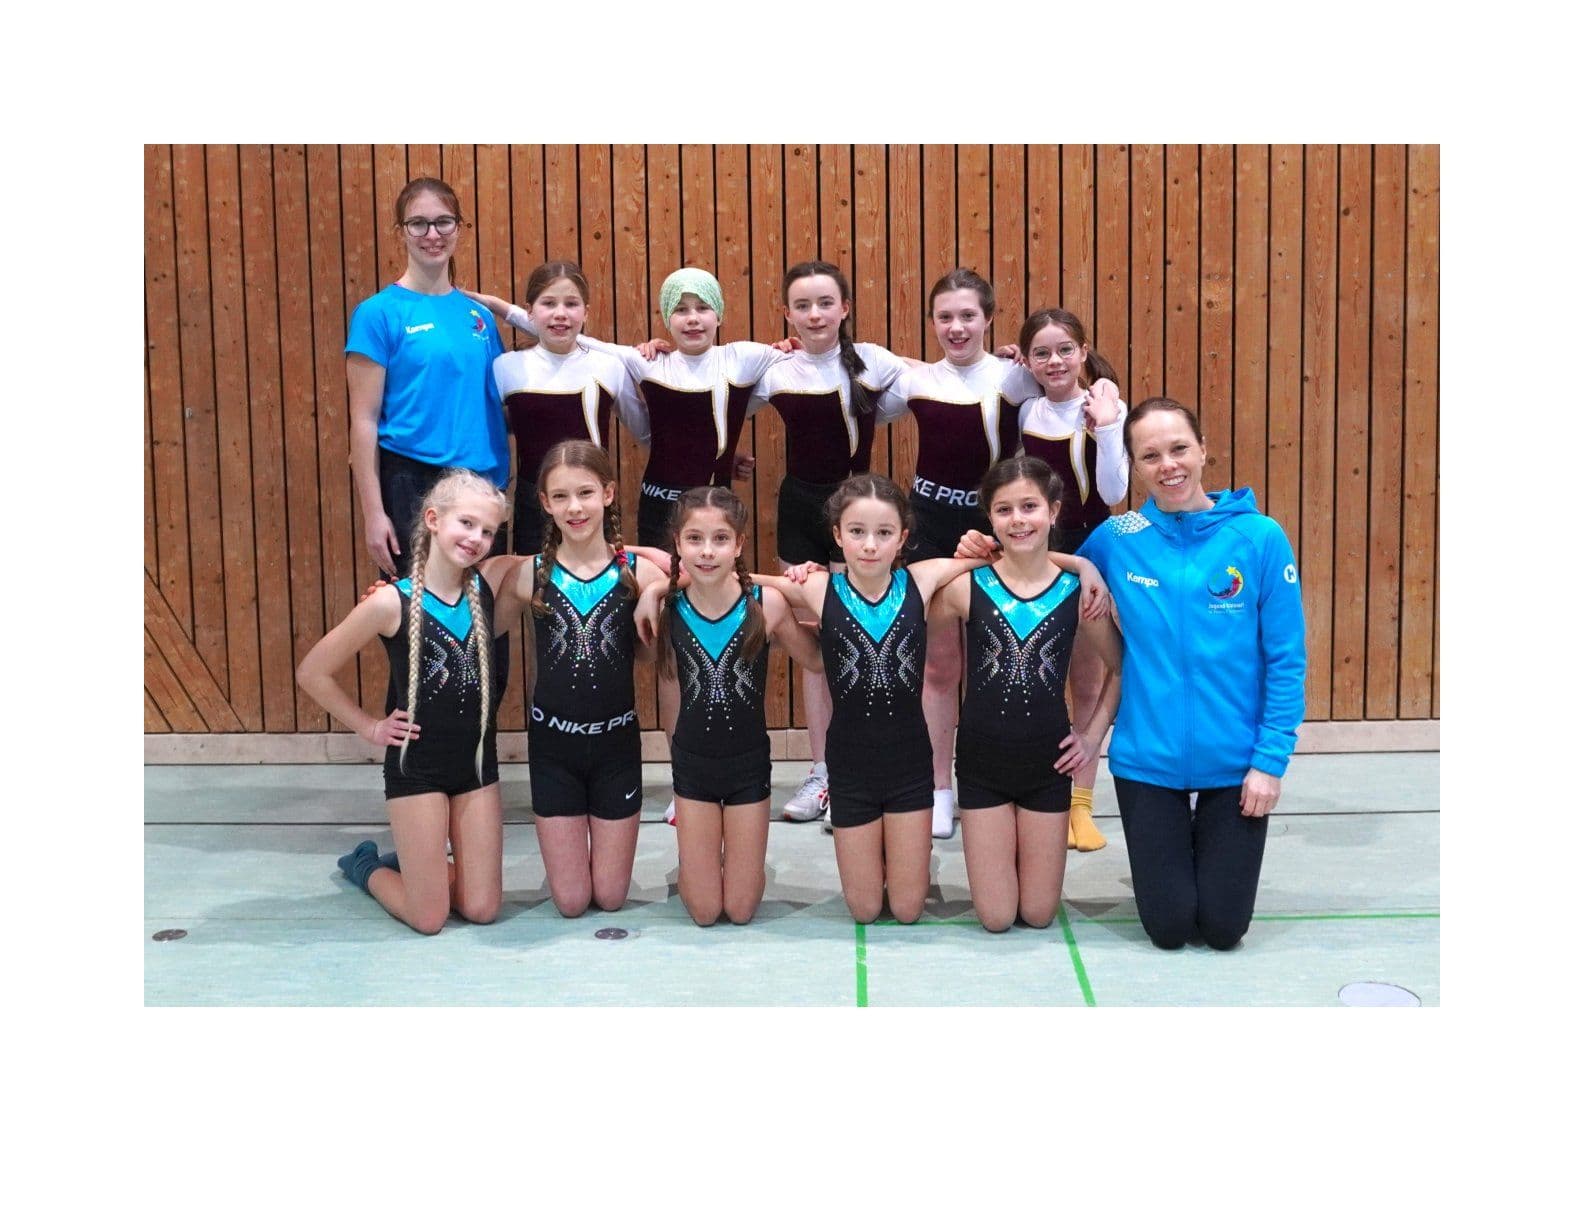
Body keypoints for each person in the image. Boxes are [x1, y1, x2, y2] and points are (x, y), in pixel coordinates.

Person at [757, 475, 1105, 925]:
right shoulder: (819, 587)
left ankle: (913, 859)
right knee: (865, 910)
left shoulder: (922, 580)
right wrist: (790, 575)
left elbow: (1015, 554)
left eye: (884, 533)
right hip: (851, 770)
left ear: (903, 538)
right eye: (857, 532)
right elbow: (741, 581)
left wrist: (1082, 565)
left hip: (910, 770)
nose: (870, 545)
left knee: (911, 910)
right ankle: (879, 853)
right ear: (837, 535)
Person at [1077, 397, 1306, 950]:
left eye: (1179, 448)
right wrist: (1079, 564)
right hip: (1147, 760)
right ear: (1134, 466)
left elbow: (1286, 659)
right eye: (1150, 455)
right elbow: (1039, 568)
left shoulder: (1259, 537)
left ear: (1203, 450)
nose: (1168, 465)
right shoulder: (1118, 536)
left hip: (1237, 764)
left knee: (1224, 929)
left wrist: (1269, 763)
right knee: (1171, 927)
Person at [297, 470, 516, 935]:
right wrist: (370, 727)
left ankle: (420, 863)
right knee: (429, 918)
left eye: (488, 531)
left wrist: (639, 555)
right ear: (433, 519)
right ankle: (367, 866)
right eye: (466, 523)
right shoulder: (389, 602)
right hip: (417, 770)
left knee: (481, 909)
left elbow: (564, 558)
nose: (476, 539)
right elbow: (312, 672)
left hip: (477, 768)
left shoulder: (487, 583)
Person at [748, 260, 920, 822]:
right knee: (815, 645)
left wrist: (1011, 361)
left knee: (860, 640)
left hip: (857, 516)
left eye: (826, 303)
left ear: (845, 307)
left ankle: (861, 766)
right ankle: (822, 771)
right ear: (787, 314)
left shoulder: (874, 362)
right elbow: (710, 410)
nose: (815, 314)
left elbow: (942, 376)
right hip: (800, 511)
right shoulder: (775, 368)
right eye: (802, 305)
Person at [874, 268, 1040, 838]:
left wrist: (1108, 394)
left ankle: (987, 781)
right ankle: (938, 789)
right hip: (929, 530)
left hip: (996, 531)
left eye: (968, 315)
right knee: (940, 666)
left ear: (989, 317)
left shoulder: (1016, 378)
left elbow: (1075, 396)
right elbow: (844, 398)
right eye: (944, 317)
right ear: (932, 322)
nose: (956, 327)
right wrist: (792, 349)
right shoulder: (914, 380)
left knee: (998, 664)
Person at [929, 457, 1120, 932]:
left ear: (1053, 511)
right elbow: (906, 588)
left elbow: (1121, 667)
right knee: (996, 918)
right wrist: (968, 558)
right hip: (982, 766)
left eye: (1030, 507)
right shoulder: (966, 587)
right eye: (1004, 510)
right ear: (989, 519)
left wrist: (1092, 738)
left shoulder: (1079, 593)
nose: (1018, 519)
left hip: (1046, 767)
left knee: (1037, 914)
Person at [634, 487, 824, 925]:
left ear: (739, 544)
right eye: (694, 539)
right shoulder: (668, 607)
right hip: (693, 769)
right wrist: (653, 590)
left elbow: (816, 660)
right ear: (677, 544)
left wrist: (813, 592)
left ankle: (739, 866)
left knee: (739, 910)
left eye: (720, 539)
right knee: (704, 912)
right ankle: (693, 864)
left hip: (748, 769)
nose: (707, 551)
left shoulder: (766, 604)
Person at [516, 441, 668, 916]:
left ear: (608, 493)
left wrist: (655, 593)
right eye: (560, 497)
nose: (574, 508)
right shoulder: (529, 574)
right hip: (553, 750)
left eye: (585, 493)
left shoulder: (639, 572)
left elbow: (707, 574)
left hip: (615, 748)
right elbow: (457, 593)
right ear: (545, 503)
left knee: (610, 897)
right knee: (571, 902)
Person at [345, 177, 510, 577]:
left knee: (484, 613)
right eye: (418, 223)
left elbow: (500, 405)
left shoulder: (480, 317)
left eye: (443, 222)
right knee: (421, 612)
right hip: (413, 488)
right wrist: (374, 514)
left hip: (482, 487)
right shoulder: (378, 313)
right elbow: (364, 420)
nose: (432, 234)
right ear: (400, 231)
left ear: (459, 228)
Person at [1012, 307, 1129, 851]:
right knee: (1034, 679)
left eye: (1065, 350)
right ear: (1028, 361)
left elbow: (1113, 493)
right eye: (1041, 353)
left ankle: (1080, 803)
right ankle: (1036, 796)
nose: (1054, 361)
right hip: (1039, 552)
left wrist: (1106, 427)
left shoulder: (1104, 407)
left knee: (1085, 682)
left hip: (1093, 549)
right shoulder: (1027, 410)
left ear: (1083, 352)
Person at [467, 262, 649, 555]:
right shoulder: (505, 368)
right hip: (534, 505)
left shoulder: (609, 367)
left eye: (571, 304)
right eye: (549, 303)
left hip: (591, 502)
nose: (560, 313)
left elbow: (647, 433)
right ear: (530, 311)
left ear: (586, 312)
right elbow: (484, 432)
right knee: (533, 581)